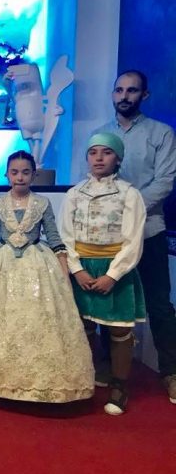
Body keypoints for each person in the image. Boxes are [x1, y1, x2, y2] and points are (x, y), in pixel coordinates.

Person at [0, 150, 94, 403]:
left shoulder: (42, 203)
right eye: (14, 172)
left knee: (38, 321)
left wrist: (64, 271)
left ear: (34, 175)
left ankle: (42, 383)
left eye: (25, 172)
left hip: (37, 265)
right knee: (3, 321)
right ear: (6, 174)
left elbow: (54, 237)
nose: (20, 177)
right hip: (1, 266)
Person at [94, 70, 176, 404]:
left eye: (132, 90)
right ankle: (108, 367)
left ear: (144, 95)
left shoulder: (161, 133)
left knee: (159, 304)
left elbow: (165, 181)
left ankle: (171, 372)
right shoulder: (101, 134)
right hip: (108, 237)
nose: (124, 96)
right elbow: (95, 180)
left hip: (148, 231)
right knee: (108, 302)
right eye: (119, 90)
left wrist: (128, 207)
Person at [60, 133, 146, 415]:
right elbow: (65, 235)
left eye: (106, 152)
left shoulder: (129, 194)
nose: (98, 158)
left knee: (119, 328)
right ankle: (84, 379)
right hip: (83, 267)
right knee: (84, 325)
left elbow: (133, 239)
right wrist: (77, 270)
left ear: (118, 158)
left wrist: (113, 275)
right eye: (93, 152)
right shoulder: (75, 194)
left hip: (114, 267)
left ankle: (120, 386)